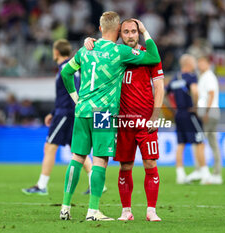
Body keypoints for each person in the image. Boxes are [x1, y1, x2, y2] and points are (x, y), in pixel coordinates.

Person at [60, 11, 160, 221]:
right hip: (103, 112)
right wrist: (145, 32)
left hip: (82, 109)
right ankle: (93, 210)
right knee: (99, 161)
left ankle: (65, 207)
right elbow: (153, 57)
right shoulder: (119, 51)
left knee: (77, 157)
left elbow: (66, 73)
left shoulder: (86, 49)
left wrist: (75, 98)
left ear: (99, 28)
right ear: (118, 31)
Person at [22, 39, 93, 195]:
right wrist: (53, 113)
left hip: (66, 114)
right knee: (78, 151)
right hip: (66, 112)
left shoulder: (66, 68)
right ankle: (94, 182)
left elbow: (71, 91)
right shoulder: (71, 67)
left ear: (56, 52)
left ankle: (41, 186)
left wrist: (61, 113)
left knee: (49, 147)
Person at [166, 54, 211, 185]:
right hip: (190, 114)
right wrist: (196, 107)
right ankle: (205, 174)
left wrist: (173, 108)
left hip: (178, 114)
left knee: (180, 144)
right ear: (188, 64)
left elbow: (165, 94)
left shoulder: (175, 78)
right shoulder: (191, 77)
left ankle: (180, 175)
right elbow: (195, 91)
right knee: (200, 143)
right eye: (193, 62)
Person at [194, 56, 222, 185]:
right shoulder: (205, 76)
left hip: (209, 114)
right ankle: (217, 173)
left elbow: (211, 94)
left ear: (208, 64)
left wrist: (205, 111)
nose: (200, 65)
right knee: (212, 143)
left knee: (199, 142)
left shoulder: (208, 76)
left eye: (202, 63)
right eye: (199, 63)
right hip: (213, 113)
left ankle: (201, 171)